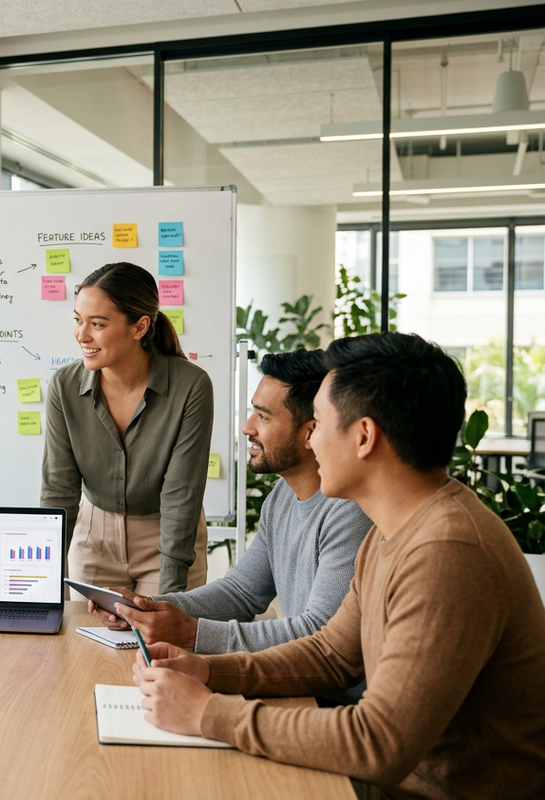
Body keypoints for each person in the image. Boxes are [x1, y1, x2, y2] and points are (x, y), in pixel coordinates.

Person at [131, 333, 545, 798]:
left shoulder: (447, 551)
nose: (312, 439)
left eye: (320, 423)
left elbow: (378, 742)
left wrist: (208, 713)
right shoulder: (392, 529)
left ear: (364, 437)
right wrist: (209, 672)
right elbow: (331, 654)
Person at [89, 350, 372, 702]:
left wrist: (192, 633)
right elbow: (241, 592)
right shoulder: (283, 495)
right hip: (296, 691)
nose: (247, 426)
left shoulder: (350, 512)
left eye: (263, 416)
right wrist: (148, 608)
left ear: (310, 432)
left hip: (334, 707)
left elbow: (319, 633)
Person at [41, 262, 213, 596]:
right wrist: (44, 582)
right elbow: (58, 490)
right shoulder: (64, 386)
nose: (82, 335)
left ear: (140, 327)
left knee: (154, 629)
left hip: (168, 536)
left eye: (97, 324)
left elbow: (181, 495)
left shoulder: (191, 386)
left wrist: (168, 603)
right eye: (78, 320)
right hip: (94, 538)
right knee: (86, 632)